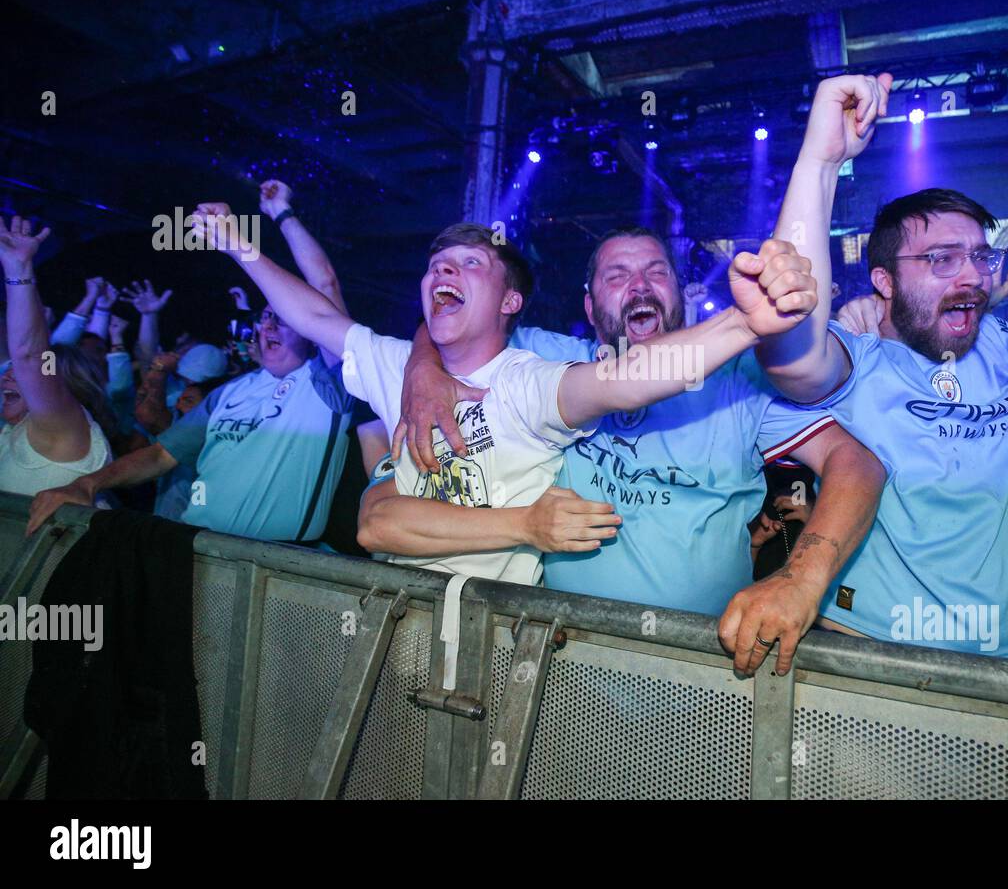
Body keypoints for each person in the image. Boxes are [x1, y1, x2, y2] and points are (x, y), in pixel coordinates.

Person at [206, 206, 818, 597]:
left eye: (471, 262)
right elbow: (314, 313)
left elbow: (624, 379)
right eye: (437, 265)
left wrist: (746, 324)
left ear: (509, 302)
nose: (446, 270)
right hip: (390, 615)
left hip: (495, 636)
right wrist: (239, 244)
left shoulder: (532, 379)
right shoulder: (397, 365)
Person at [395, 226, 886, 675]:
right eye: (618, 275)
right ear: (589, 308)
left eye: (657, 272)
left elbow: (856, 465)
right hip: (559, 655)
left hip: (700, 665)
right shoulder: (548, 361)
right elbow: (456, 319)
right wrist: (425, 366)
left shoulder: (735, 383)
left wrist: (802, 580)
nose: (641, 286)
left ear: (678, 294)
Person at [755, 74, 1008, 659]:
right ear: (883, 280)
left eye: (980, 257)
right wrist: (820, 161)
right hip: (869, 648)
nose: (970, 276)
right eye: (941, 259)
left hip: (1001, 654)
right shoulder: (856, 358)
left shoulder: (1001, 344)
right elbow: (791, 345)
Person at [27, 189, 356, 542]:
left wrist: (281, 212)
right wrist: (86, 484)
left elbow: (324, 284)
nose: (269, 326)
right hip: (188, 552)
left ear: (310, 330)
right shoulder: (228, 393)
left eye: (284, 320)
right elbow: (160, 455)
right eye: (264, 319)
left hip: (268, 569)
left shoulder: (329, 385)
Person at [0, 216, 112, 496]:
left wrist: (19, 269)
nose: (9, 373)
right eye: (9, 367)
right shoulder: (13, 430)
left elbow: (30, 355)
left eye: (23, 372)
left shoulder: (63, 430)